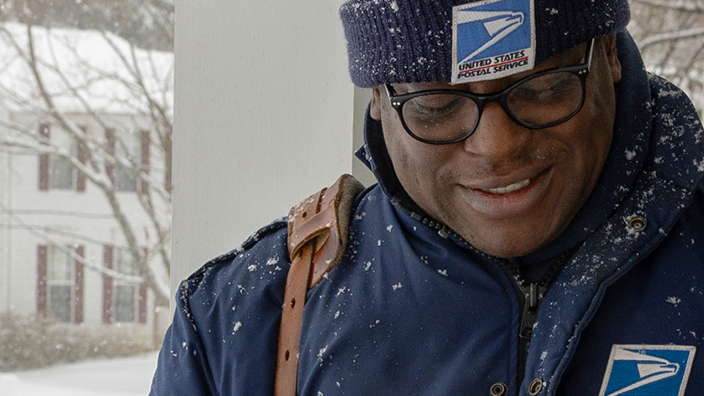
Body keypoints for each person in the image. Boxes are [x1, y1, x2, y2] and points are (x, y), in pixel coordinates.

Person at [151, 0, 704, 395]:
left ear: (608, 52)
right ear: (378, 96)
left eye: (541, 88)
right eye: (436, 106)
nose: (496, 147)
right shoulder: (236, 322)